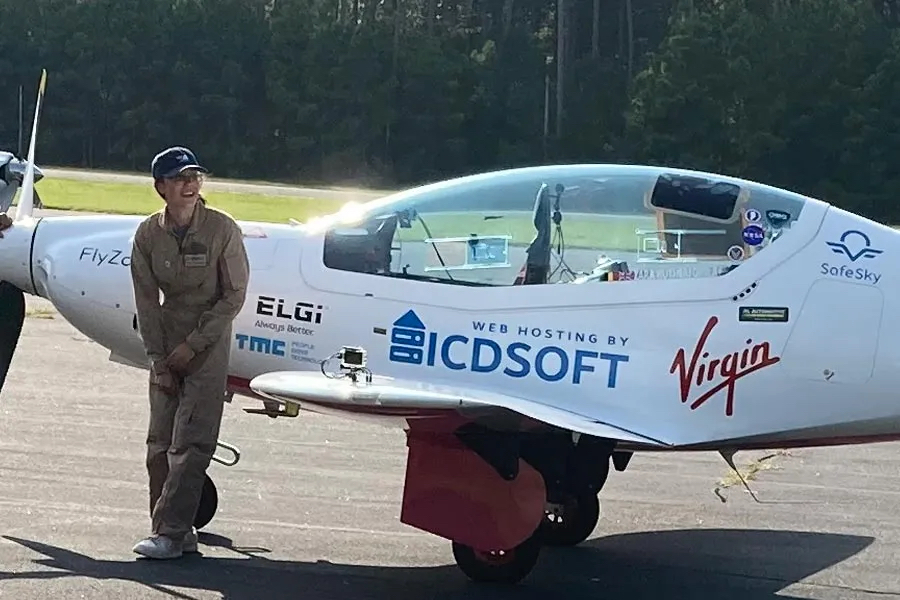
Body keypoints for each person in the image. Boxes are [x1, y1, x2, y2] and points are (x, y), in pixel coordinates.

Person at [129, 146, 250, 560]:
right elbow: (146, 302)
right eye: (180, 178)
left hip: (208, 344)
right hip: (164, 340)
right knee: (159, 444)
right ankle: (170, 531)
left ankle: (171, 531)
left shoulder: (222, 229)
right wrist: (157, 359)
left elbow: (233, 295)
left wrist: (193, 346)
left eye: (195, 177)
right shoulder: (147, 234)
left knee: (191, 444)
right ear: (160, 187)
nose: (190, 184)